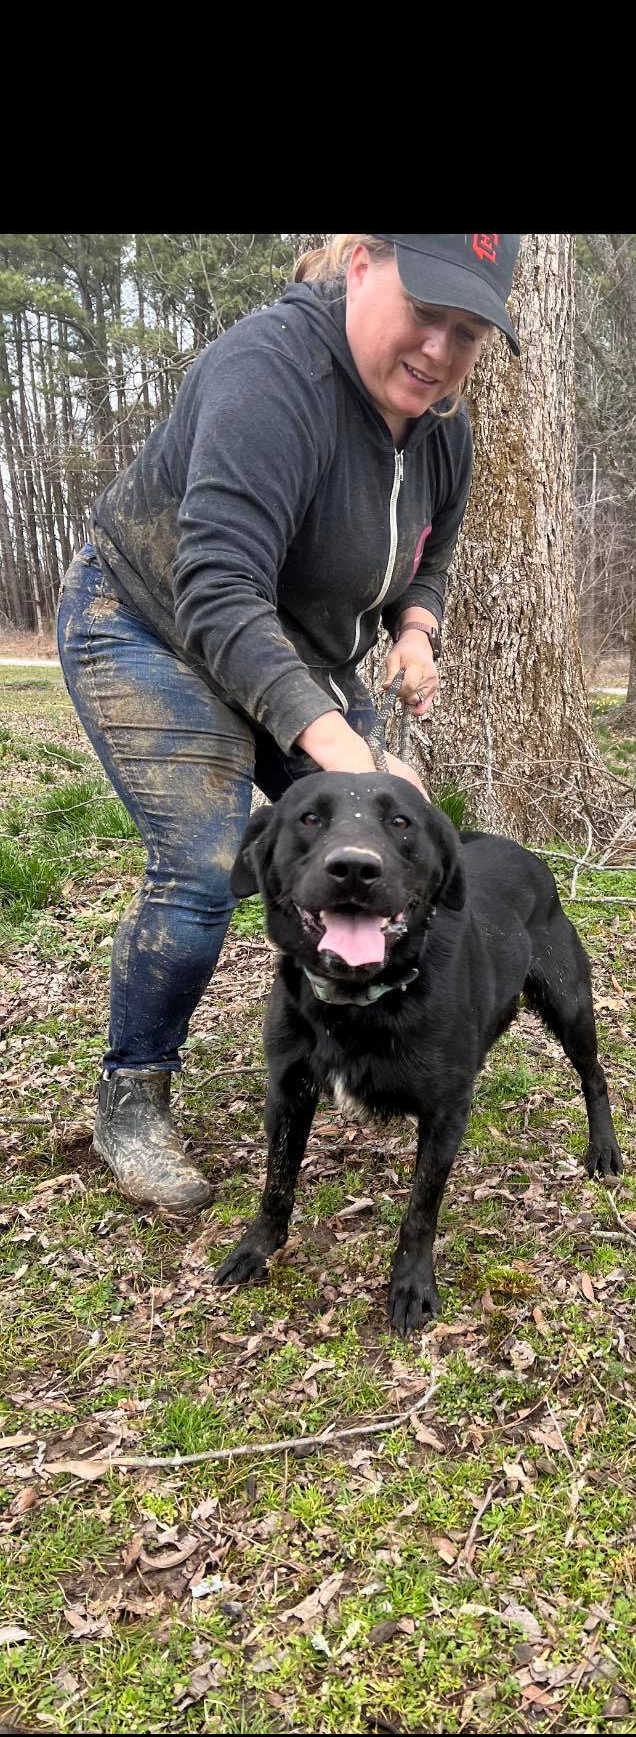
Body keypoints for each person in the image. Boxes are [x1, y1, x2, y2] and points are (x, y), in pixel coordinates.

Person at [55, 232, 522, 1214]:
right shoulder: (269, 375)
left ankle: (357, 1028)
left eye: (468, 331)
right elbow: (219, 590)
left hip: (299, 651)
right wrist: (344, 748)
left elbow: (429, 553)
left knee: (380, 847)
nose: (440, 350)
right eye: (424, 313)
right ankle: (133, 1096)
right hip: (151, 624)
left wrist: (417, 631)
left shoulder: (444, 428)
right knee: (202, 861)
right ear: (360, 268)